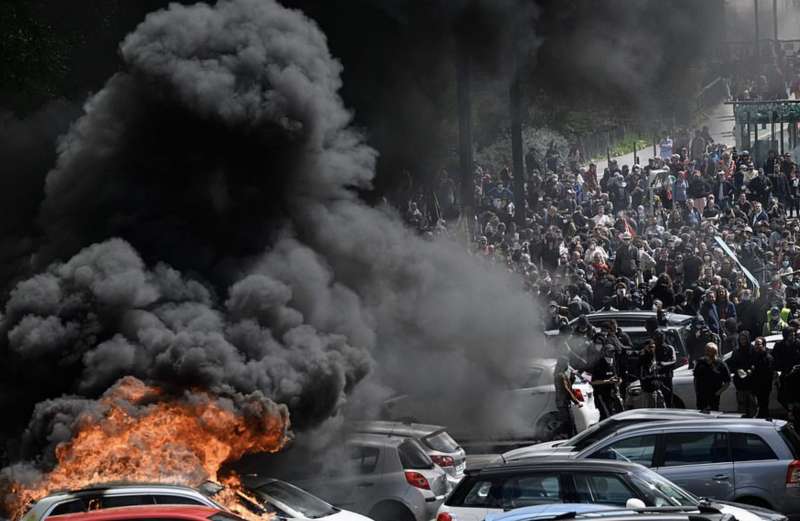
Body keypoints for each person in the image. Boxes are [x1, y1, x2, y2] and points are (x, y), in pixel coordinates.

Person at [693, 343, 731, 411]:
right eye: (706, 350)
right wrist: (697, 391)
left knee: (713, 413)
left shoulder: (721, 364)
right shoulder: (700, 362)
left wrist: (718, 393)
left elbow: (728, 381)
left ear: (715, 352)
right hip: (701, 396)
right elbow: (695, 377)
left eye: (710, 351)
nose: (707, 353)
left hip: (713, 397)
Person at [728, 331, 757, 417]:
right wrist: (737, 370)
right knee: (742, 406)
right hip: (740, 384)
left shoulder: (753, 350)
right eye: (741, 339)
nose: (743, 341)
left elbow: (756, 363)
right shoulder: (736, 351)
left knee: (753, 405)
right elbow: (732, 364)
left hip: (751, 383)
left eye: (744, 339)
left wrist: (751, 370)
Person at [590, 344, 622, 420]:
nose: (612, 354)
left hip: (612, 394)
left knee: (615, 415)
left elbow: (617, 376)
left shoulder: (613, 362)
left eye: (613, 352)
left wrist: (619, 380)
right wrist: (608, 381)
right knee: (606, 417)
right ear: (605, 352)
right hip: (602, 394)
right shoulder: (599, 364)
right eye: (610, 352)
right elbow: (593, 382)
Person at [553, 357, 582, 438]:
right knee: (569, 423)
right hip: (563, 402)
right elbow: (567, 390)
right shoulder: (560, 375)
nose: (568, 366)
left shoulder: (562, 374)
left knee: (569, 423)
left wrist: (572, 377)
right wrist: (576, 401)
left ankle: (573, 438)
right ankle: (555, 435)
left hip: (564, 402)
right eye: (567, 363)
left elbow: (569, 386)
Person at [751, 336, 775, 419]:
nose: (756, 346)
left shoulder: (768, 358)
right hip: (756, 385)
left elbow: (768, 373)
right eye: (755, 344)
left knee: (764, 405)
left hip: (764, 386)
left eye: (759, 344)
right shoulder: (754, 356)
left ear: (764, 345)